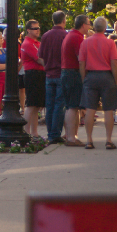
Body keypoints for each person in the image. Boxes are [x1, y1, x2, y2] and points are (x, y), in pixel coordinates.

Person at [77, 17, 117, 149]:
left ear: (93, 27)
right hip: (106, 76)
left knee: (90, 109)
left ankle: (89, 140)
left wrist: (83, 78)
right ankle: (108, 140)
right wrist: (115, 78)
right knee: (108, 110)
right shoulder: (110, 43)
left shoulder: (85, 42)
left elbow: (81, 62)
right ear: (105, 28)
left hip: (90, 76)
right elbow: (114, 63)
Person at [39, 11, 73, 145]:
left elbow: (40, 56)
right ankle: (54, 133)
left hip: (49, 74)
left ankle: (50, 133)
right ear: (63, 21)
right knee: (59, 105)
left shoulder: (46, 36)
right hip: (61, 73)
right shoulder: (65, 35)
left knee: (50, 105)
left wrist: (47, 65)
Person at [60, 15, 90, 147]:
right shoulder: (77, 37)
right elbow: (81, 59)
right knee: (73, 106)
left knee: (70, 107)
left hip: (66, 73)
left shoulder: (70, 35)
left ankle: (69, 135)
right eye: (88, 24)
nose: (89, 27)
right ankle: (72, 138)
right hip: (73, 74)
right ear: (83, 25)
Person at [19, 22, 44, 131]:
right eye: (35, 28)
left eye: (38, 28)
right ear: (28, 30)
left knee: (36, 106)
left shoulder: (36, 42)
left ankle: (34, 133)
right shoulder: (28, 43)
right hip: (32, 74)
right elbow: (39, 59)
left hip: (38, 74)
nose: (38, 30)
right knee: (31, 104)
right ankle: (26, 131)